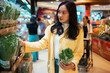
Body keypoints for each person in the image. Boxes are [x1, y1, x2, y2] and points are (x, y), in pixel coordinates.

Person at [20, 1, 84, 73]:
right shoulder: (52, 29)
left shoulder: (78, 30)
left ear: (71, 14)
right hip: (54, 65)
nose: (60, 15)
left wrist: (73, 64)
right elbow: (42, 44)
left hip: (68, 68)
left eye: (64, 12)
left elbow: (79, 52)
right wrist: (25, 44)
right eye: (59, 12)